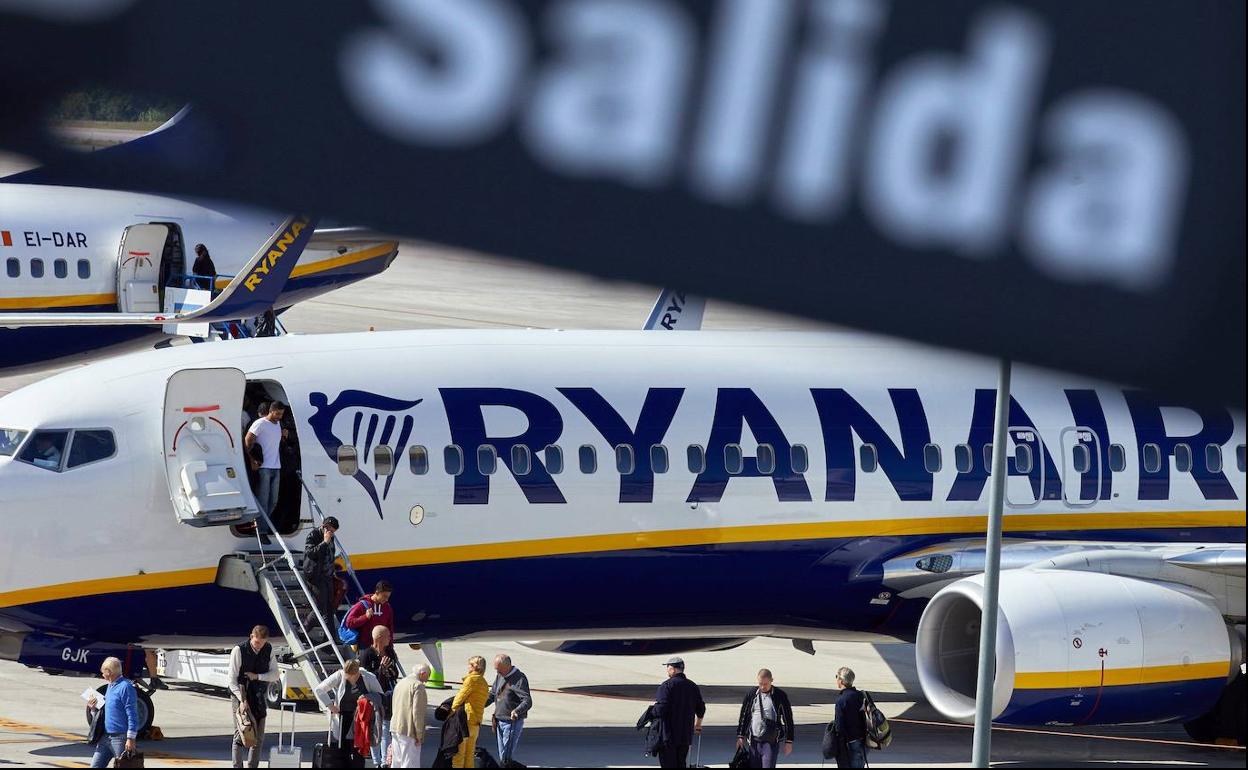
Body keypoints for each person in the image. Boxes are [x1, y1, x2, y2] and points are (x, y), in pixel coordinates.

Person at [313, 659, 383, 765]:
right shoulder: (340, 675)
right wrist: (330, 706)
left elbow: (380, 695)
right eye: (346, 675)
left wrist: (367, 698)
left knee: (359, 749)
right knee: (343, 749)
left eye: (350, 676)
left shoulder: (368, 677)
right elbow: (319, 689)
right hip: (343, 718)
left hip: (361, 719)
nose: (347, 678)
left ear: (357, 673)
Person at [228, 625, 280, 768]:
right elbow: (231, 681)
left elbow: (275, 674)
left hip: (258, 695)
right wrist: (242, 700)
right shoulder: (238, 650)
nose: (259, 647)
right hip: (240, 693)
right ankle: (237, 766)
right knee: (241, 734)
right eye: (257, 642)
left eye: (262, 643)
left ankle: (253, 766)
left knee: (258, 737)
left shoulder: (268, 649)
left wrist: (257, 676)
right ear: (251, 637)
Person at [735, 669, 795, 768]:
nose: (762, 687)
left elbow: (788, 719)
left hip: (770, 742)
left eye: (765, 684)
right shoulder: (752, 694)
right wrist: (740, 736)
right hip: (754, 741)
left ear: (772, 680)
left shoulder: (779, 696)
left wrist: (789, 741)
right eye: (760, 684)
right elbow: (744, 716)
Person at [358, 626, 400, 766]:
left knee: (386, 728)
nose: (390, 638)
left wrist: (388, 669)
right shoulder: (366, 654)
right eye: (388, 636)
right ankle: (376, 761)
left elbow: (395, 674)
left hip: (387, 695)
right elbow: (364, 677)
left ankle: (384, 762)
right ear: (379, 638)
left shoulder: (390, 652)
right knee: (375, 729)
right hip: (373, 697)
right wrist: (380, 669)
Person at [654, 657, 705, 769]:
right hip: (685, 736)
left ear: (673, 669)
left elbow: (661, 709)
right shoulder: (692, 686)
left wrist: (653, 711)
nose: (667, 670)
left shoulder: (666, 686)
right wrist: (698, 724)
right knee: (681, 764)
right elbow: (701, 708)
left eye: (668, 668)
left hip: (668, 736)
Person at [88, 656, 139, 769]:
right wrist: (93, 709)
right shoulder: (110, 686)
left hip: (120, 739)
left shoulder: (126, 687)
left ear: (109, 672)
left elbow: (133, 714)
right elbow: (106, 713)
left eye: (103, 672)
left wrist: (130, 739)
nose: (102, 675)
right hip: (105, 737)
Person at [486, 653, 532, 767]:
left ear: (508, 666)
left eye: (499, 670)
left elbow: (527, 700)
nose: (497, 673)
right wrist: (479, 705)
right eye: (496, 670)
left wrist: (517, 711)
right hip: (499, 720)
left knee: (506, 757)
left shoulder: (519, 678)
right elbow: (492, 694)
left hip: (511, 722)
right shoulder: (500, 675)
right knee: (503, 756)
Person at [245, 402, 286, 518]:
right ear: (271, 411)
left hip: (276, 466)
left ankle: (263, 525)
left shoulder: (278, 424)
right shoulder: (260, 423)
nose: (280, 417)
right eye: (277, 414)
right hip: (263, 467)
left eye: (281, 414)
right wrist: (251, 460)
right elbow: (247, 441)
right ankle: (262, 529)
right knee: (263, 501)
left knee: (273, 501)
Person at [450, 656, 490, 768]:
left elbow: (458, 699)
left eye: (469, 664)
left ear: (474, 666)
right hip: (476, 722)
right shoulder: (484, 683)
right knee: (469, 755)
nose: (468, 666)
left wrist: (452, 711)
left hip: (466, 721)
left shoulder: (471, 680)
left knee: (459, 754)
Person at [302, 516, 339, 630]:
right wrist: (324, 542)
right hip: (316, 576)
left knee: (330, 608)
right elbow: (311, 553)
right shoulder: (313, 535)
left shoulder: (330, 537)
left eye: (333, 532)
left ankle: (330, 638)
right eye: (331, 531)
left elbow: (329, 555)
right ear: (324, 527)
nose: (332, 534)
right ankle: (303, 629)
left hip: (327, 576)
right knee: (320, 608)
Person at [390, 663, 430, 768]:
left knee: (397, 761)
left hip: (395, 726)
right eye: (427, 677)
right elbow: (418, 713)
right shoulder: (418, 686)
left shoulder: (401, 683)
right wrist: (419, 734)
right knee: (410, 762)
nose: (426, 681)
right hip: (409, 730)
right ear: (423, 673)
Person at [344, 580, 395, 650]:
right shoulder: (361, 605)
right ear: (377, 593)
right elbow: (349, 623)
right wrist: (365, 617)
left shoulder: (387, 607)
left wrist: (390, 645)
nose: (386, 599)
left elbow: (390, 627)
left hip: (382, 647)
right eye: (384, 596)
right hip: (365, 647)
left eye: (388, 597)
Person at [834, 667, 868, 769]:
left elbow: (839, 727)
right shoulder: (860, 695)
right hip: (862, 740)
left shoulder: (841, 700)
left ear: (841, 681)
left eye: (836, 677)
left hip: (849, 743)